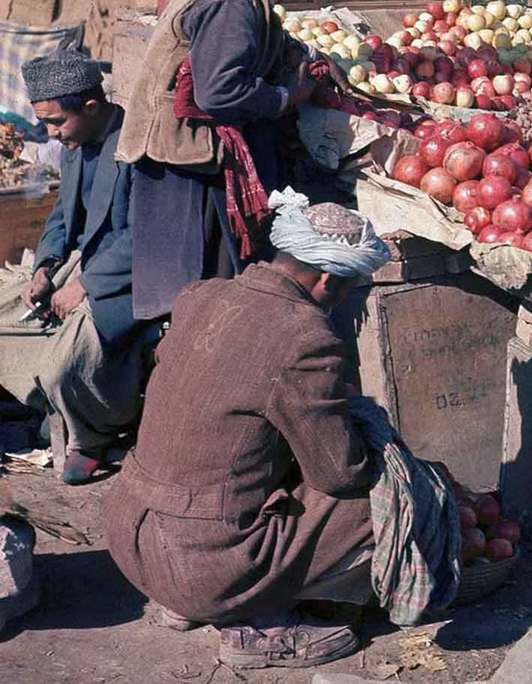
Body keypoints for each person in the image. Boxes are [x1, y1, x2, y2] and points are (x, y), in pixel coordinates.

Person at [104, 193, 393, 668]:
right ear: (326, 280)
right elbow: (340, 475)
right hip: (202, 567)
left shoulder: (201, 295)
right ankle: (257, 623)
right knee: (384, 499)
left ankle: (188, 600)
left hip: (130, 538)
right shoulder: (308, 339)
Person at [115, 0, 316, 324]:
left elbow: (260, 41)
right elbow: (220, 91)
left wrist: (302, 55)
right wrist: (285, 97)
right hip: (185, 159)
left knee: (201, 294)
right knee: (201, 293)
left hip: (188, 150)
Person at [0, 51, 150, 484]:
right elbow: (62, 218)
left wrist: (85, 285)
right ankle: (48, 402)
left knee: (64, 361)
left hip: (129, 279)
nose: (49, 133)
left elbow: (144, 239)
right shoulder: (74, 144)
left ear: (90, 107)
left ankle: (93, 434)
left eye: (55, 123)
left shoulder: (136, 147)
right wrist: (45, 268)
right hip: (80, 267)